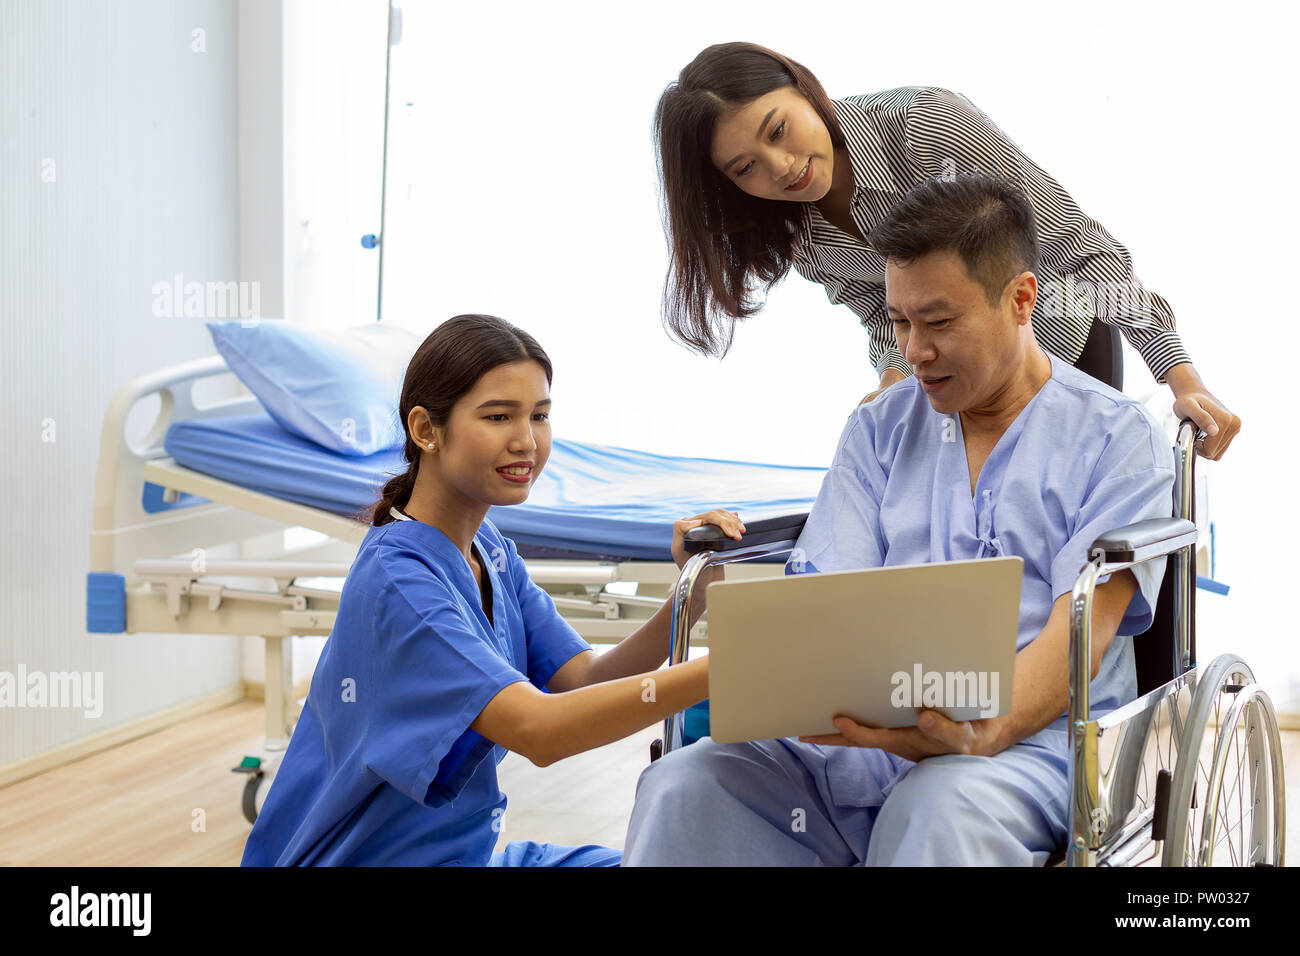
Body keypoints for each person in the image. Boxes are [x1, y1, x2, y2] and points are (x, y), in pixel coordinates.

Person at [622, 173, 1177, 866]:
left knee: (933, 808)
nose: (913, 351)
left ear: (1021, 300)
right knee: (684, 784)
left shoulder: (1116, 440)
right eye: (899, 321)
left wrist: (980, 731)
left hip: (1026, 754)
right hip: (856, 744)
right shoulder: (879, 430)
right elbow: (827, 592)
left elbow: (1082, 635)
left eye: (938, 322)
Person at [240, 313, 741, 866]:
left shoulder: (491, 550)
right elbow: (539, 730)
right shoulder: (400, 581)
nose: (526, 441)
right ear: (426, 430)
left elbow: (583, 680)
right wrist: (733, 668)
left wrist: (690, 596)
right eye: (499, 416)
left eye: (540, 416)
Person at [654, 41, 1239, 460]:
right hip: (949, 392)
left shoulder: (923, 122)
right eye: (745, 167)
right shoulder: (796, 234)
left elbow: (1084, 252)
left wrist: (1180, 377)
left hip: (1058, 354)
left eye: (778, 130)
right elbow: (877, 312)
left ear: (802, 90)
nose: (780, 169)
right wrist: (890, 374)